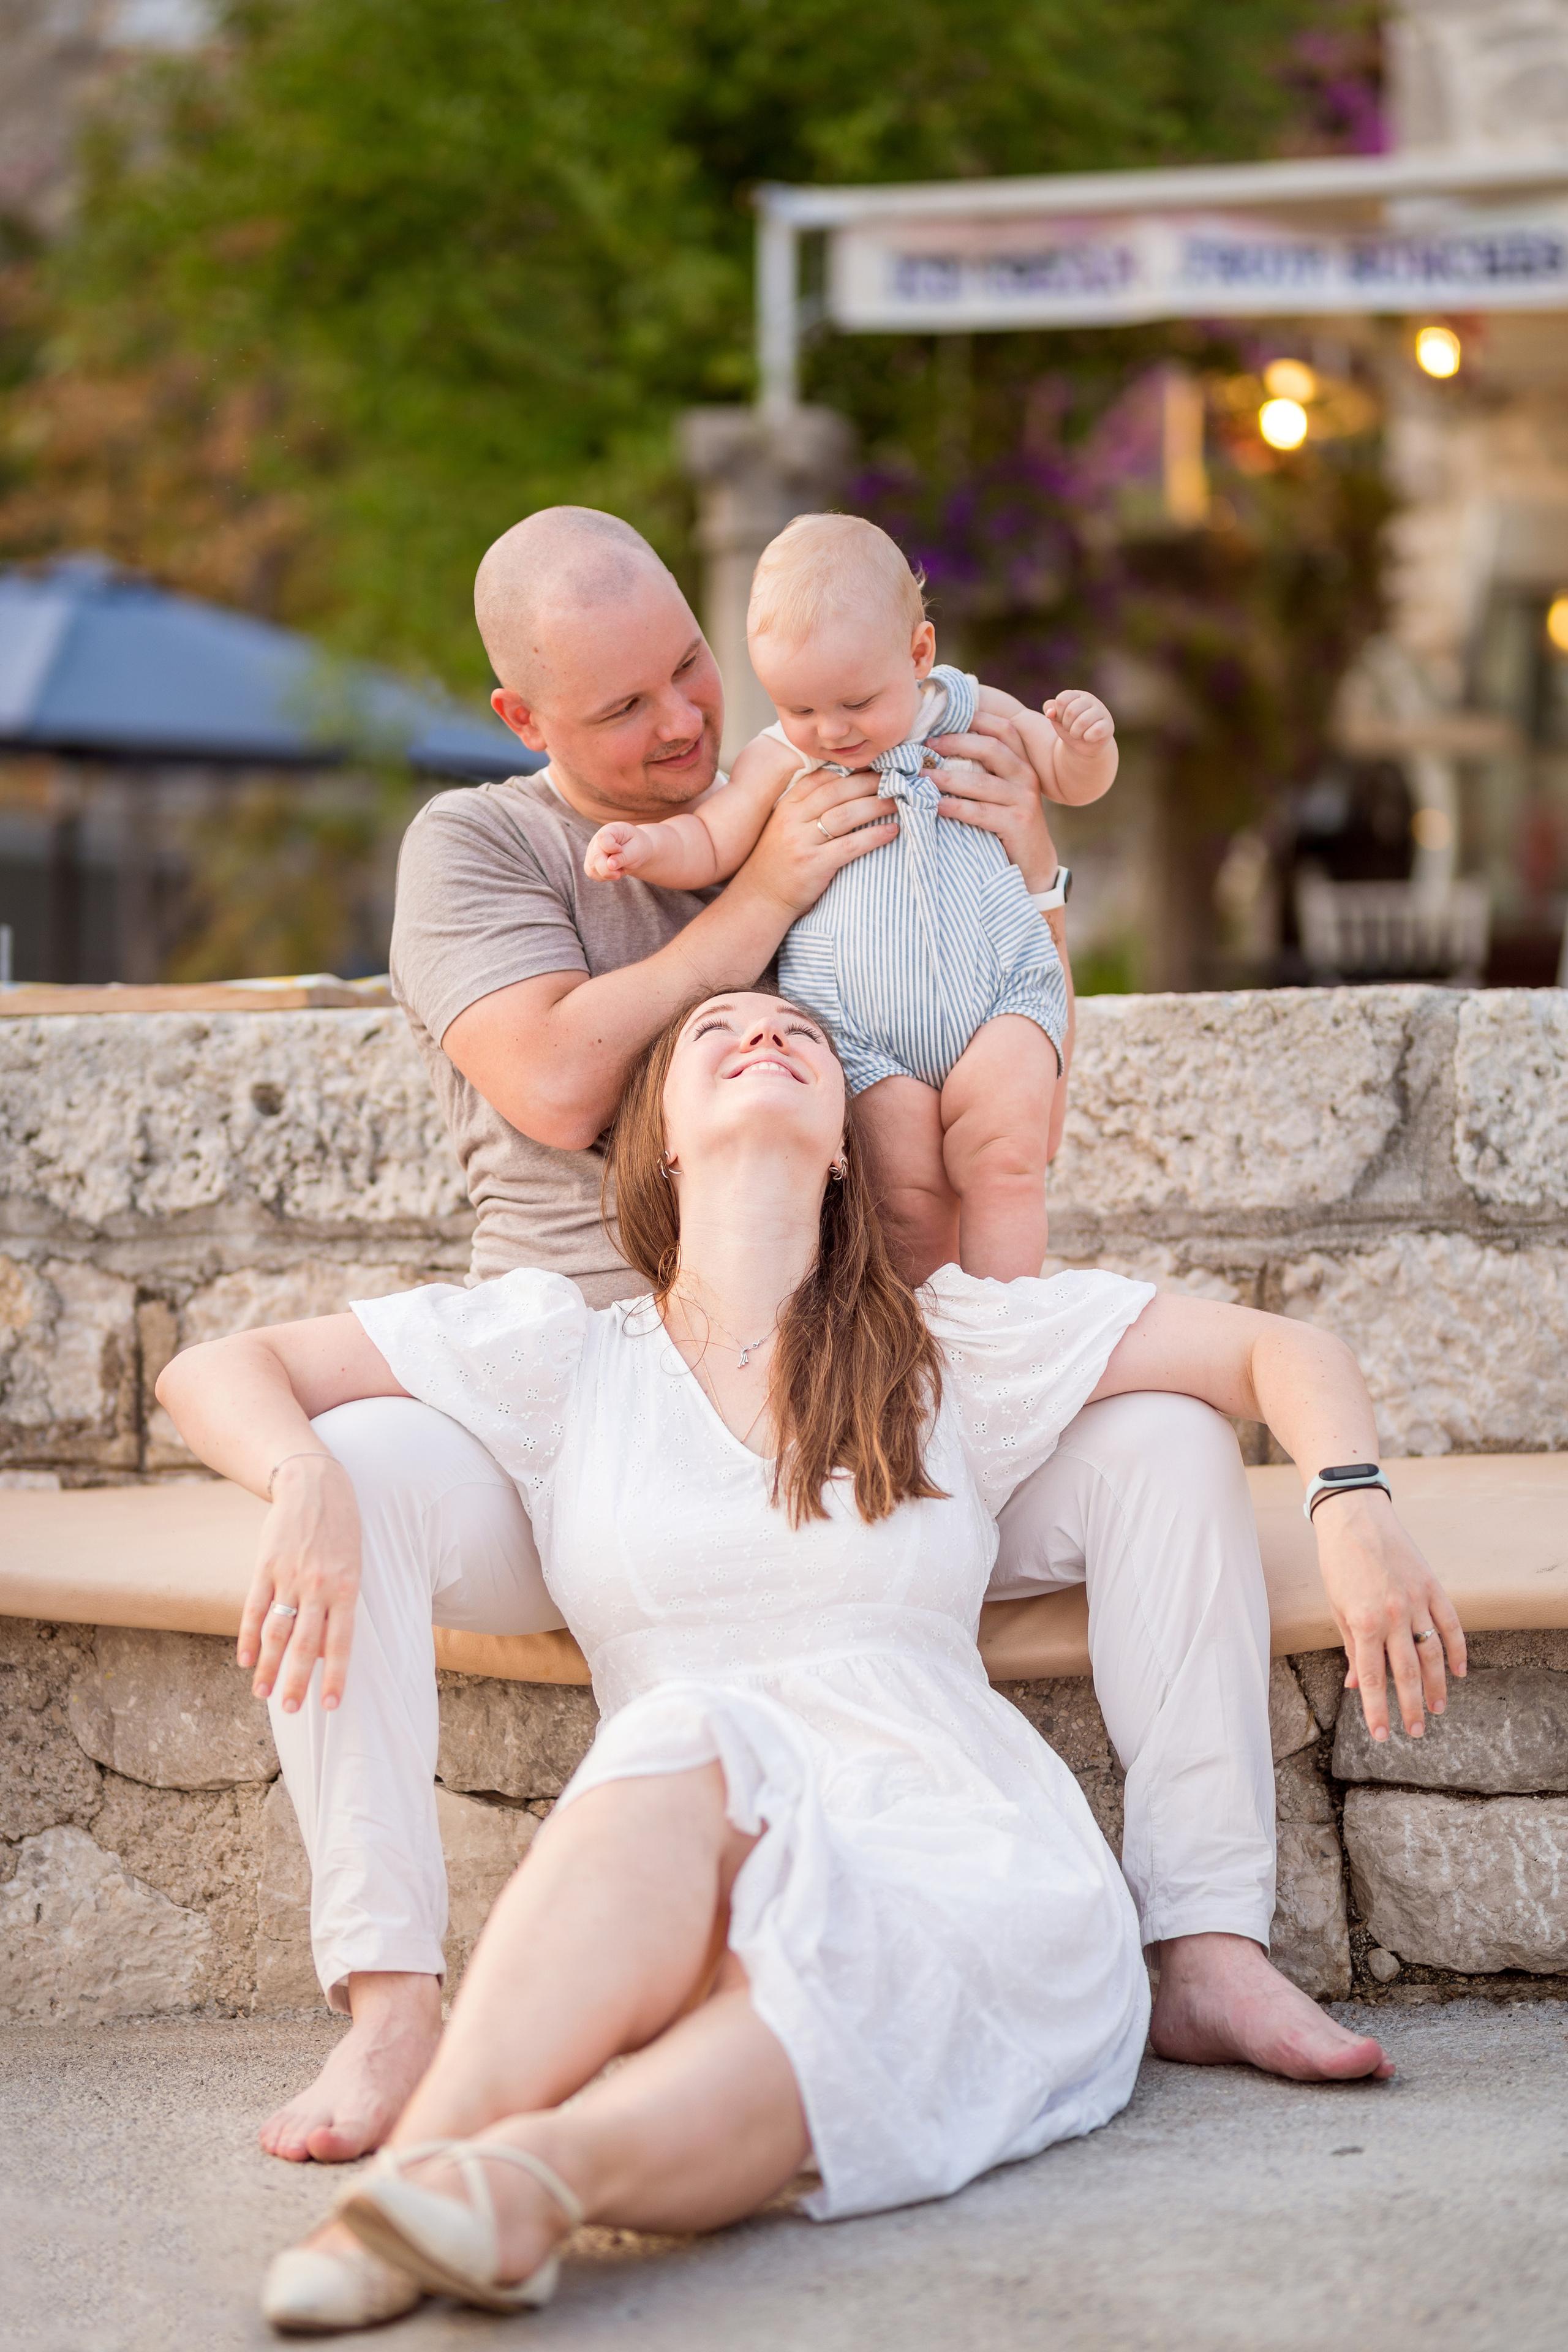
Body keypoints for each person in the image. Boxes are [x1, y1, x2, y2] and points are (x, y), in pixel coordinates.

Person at [197, 505, 1453, 2179]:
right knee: (352, 1468)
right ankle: (392, 1999)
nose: (685, 724)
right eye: (625, 707)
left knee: (1161, 1441)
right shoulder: (487, 847)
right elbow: (565, 1085)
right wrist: (765, 894)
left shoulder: (827, 759)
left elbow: (977, 1002)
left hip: (850, 1356)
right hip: (562, 1387)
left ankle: (1205, 1943)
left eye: (691, 669)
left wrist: (1030, 869)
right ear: (526, 723)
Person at [157, 991, 1464, 2334]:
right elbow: (219, 1368)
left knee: (846, 2000)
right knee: (681, 1737)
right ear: (659, 1139)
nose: (764, 1040)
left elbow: (1271, 1350)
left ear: (843, 1145)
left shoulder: (946, 1341)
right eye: (717, 1034)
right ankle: (431, 2117)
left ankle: (509, 2187)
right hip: (684, 1819)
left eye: (797, 1037)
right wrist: (301, 1469)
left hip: (948, 1835)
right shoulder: (562, 1351)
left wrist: (1350, 1501)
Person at [583, 513, 1118, 1281]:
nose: (830, 732)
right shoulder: (781, 756)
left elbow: (1068, 783)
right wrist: (645, 847)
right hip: (863, 1028)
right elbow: (711, 839)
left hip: (998, 992)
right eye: (799, 709)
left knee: (1005, 1165)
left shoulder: (973, 710)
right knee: (904, 1198)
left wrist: (1085, 747)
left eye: (856, 704)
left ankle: (1009, 1328)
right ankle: (926, 1340)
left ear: (918, 653)